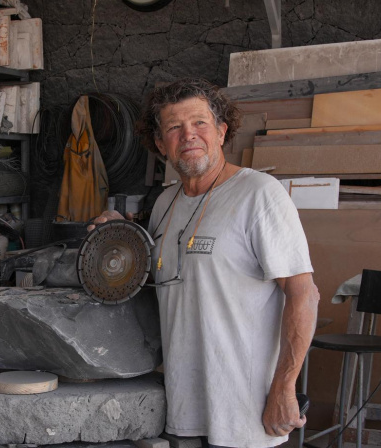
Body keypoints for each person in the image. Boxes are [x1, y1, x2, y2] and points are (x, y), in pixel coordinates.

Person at [91, 78, 319, 447]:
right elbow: (163, 279)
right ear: (161, 144)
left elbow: (304, 295)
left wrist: (284, 388)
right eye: (174, 128)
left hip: (245, 409)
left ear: (222, 131)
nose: (189, 135)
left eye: (200, 123)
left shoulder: (259, 194)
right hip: (183, 407)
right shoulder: (166, 204)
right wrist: (123, 234)